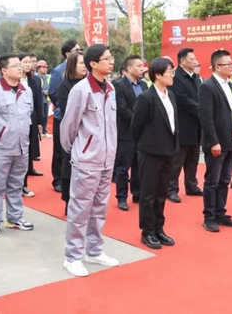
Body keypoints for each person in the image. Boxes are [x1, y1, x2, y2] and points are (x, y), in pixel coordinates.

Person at [60, 44, 119, 277]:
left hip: (107, 159)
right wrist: (78, 150)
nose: (111, 61)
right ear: (93, 64)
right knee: (79, 208)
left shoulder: (111, 88)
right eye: (106, 58)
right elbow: (69, 125)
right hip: (87, 159)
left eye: (111, 57)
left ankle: (94, 250)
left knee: (99, 208)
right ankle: (72, 256)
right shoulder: (81, 90)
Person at [131, 57, 179, 249]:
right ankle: (147, 231)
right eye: (169, 72)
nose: (172, 75)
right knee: (148, 193)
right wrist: (145, 146)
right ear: (157, 75)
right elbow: (136, 126)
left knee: (161, 193)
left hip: (168, 151)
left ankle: (159, 228)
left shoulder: (171, 95)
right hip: (150, 152)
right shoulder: (146, 98)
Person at [0, 54, 35, 236]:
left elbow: (29, 114)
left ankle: (15, 218)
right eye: (15, 65)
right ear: (4, 70)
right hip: (0, 147)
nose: (20, 68)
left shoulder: (26, 90)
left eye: (20, 65)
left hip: (22, 147)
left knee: (16, 184)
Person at [199, 50, 232, 232]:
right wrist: (213, 141)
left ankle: (220, 212)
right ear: (217, 67)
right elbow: (206, 118)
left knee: (225, 180)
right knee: (212, 181)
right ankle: (209, 216)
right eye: (228, 64)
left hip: (231, 139)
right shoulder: (207, 86)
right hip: (217, 142)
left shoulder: (229, 85)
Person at [168, 48, 203, 203]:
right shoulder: (176, 77)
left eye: (195, 59)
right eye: (192, 59)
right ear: (182, 61)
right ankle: (171, 189)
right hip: (182, 124)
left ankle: (191, 185)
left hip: (196, 125)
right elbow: (182, 100)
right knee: (177, 160)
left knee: (193, 159)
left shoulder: (196, 77)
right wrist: (202, 110)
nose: (195, 62)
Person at [113, 55, 147, 211]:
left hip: (142, 134)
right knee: (123, 168)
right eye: (138, 66)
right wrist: (138, 122)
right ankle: (121, 197)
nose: (142, 68)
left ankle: (137, 194)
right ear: (129, 68)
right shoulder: (118, 85)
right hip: (125, 133)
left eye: (142, 66)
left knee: (139, 166)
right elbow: (122, 109)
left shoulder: (144, 85)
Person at [55, 52, 88, 209]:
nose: (84, 66)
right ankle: (69, 201)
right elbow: (68, 113)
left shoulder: (88, 83)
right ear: (72, 65)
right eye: (81, 63)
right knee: (69, 167)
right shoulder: (65, 86)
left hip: (88, 134)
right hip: (72, 131)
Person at [49, 40, 82, 193]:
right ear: (67, 54)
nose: (80, 51)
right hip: (61, 116)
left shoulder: (84, 72)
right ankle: (58, 179)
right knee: (60, 150)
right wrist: (64, 106)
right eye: (76, 50)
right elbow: (53, 93)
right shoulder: (59, 71)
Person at [18, 52, 44, 197]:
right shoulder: (10, 80)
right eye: (26, 62)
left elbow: (38, 100)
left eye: (30, 62)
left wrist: (40, 120)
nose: (29, 64)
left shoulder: (34, 80)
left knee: (27, 152)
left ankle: (23, 184)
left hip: (30, 120)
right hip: (13, 123)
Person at [36, 60, 51, 137]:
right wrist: (43, 92)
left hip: (46, 100)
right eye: (43, 67)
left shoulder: (48, 77)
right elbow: (36, 88)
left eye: (46, 67)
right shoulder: (36, 77)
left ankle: (44, 131)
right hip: (39, 99)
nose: (45, 69)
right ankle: (39, 132)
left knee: (45, 116)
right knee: (40, 116)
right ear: (39, 68)